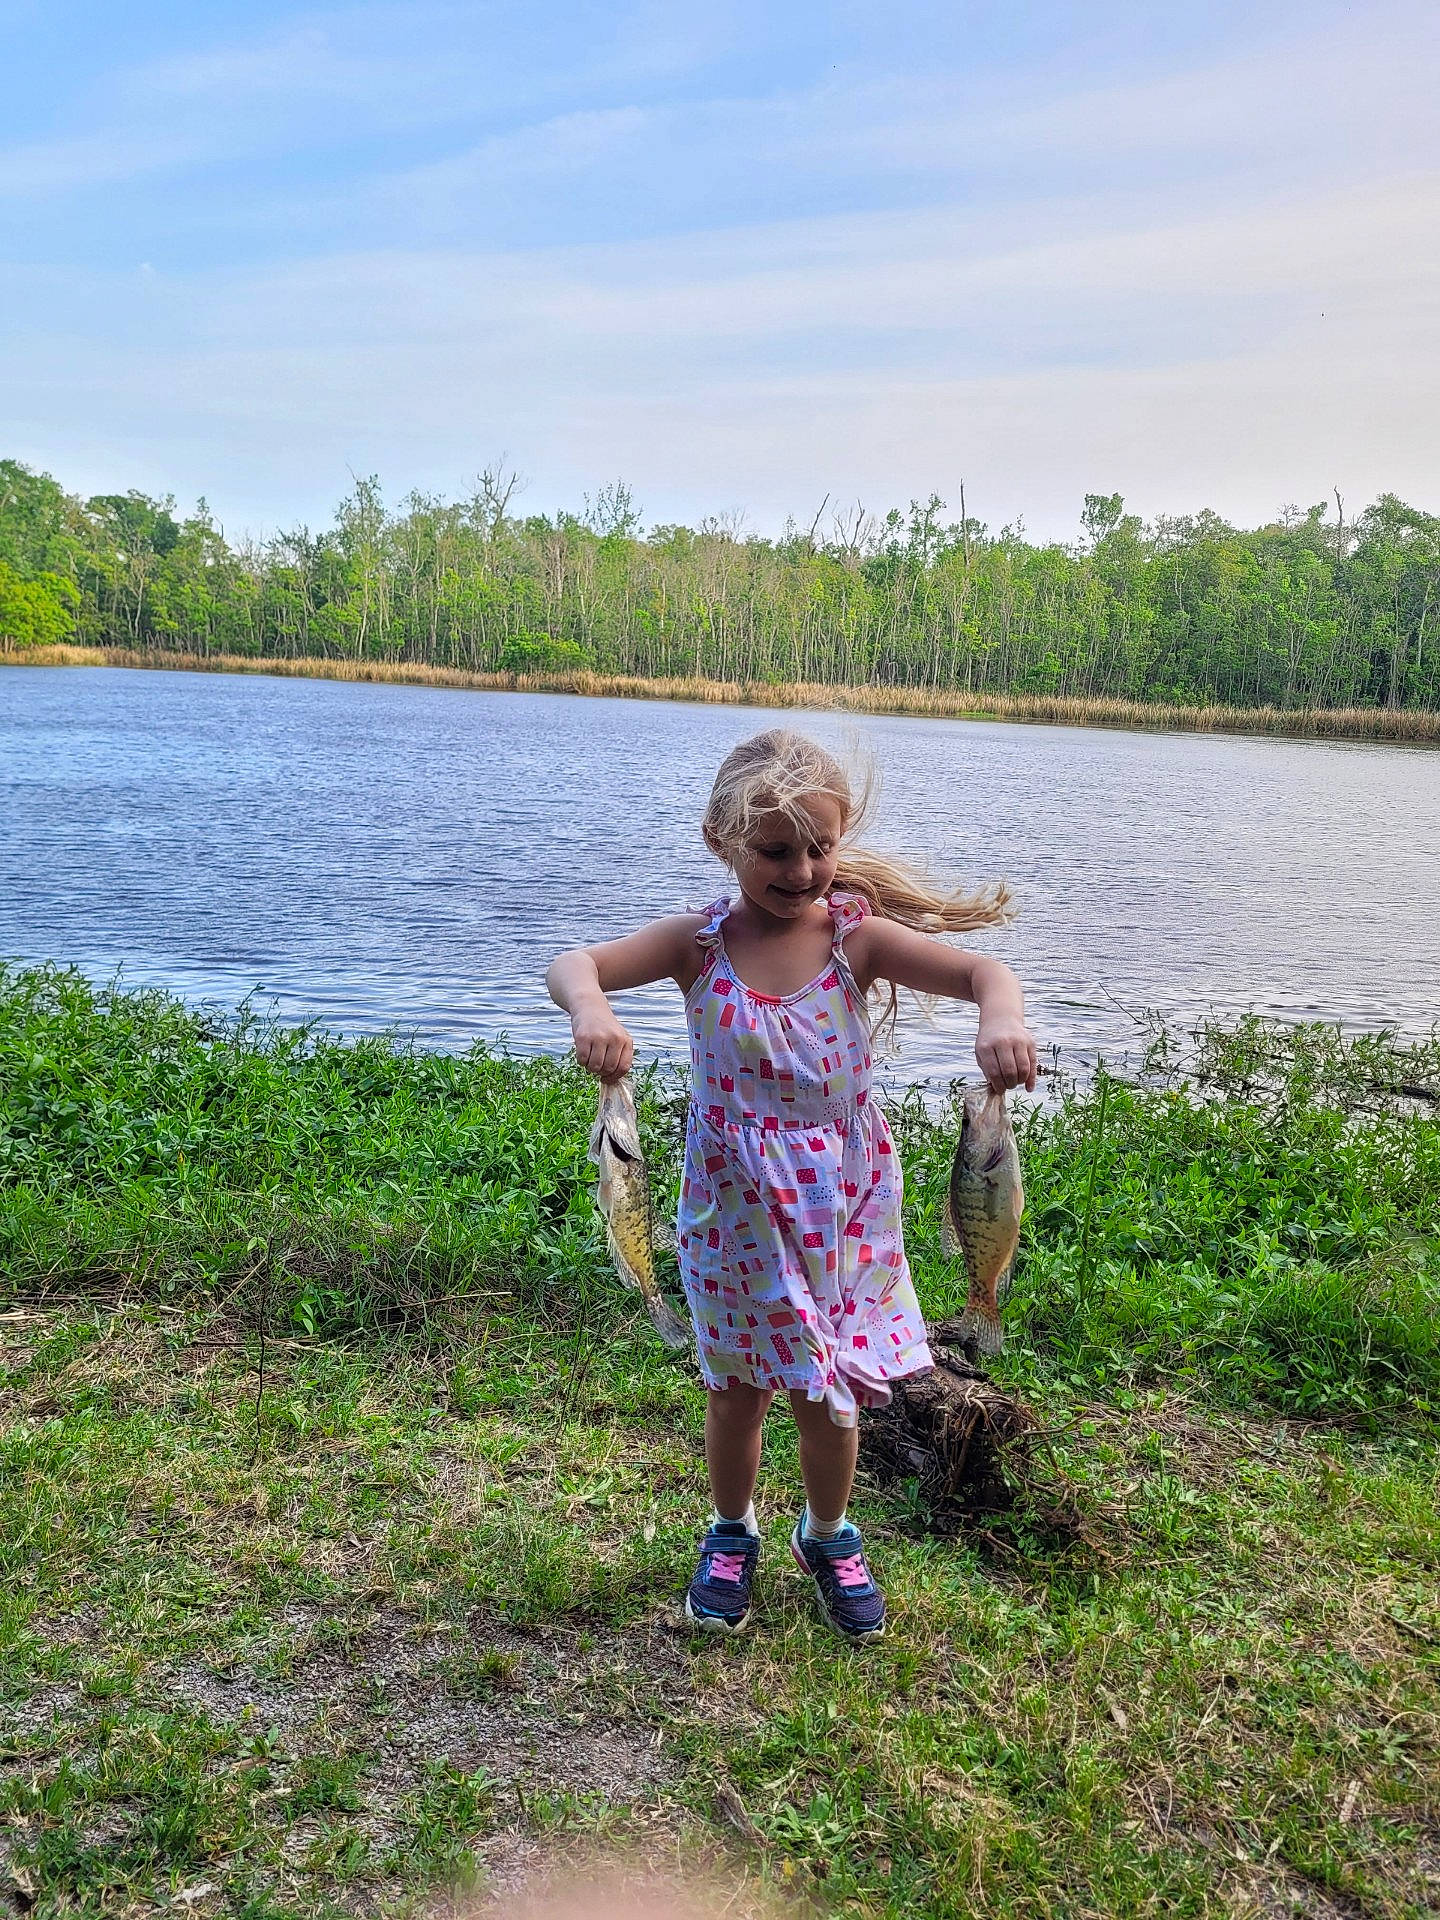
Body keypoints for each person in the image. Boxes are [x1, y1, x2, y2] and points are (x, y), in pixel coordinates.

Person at [546, 729, 1036, 1642]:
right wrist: (591, 1006)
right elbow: (574, 964)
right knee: (737, 1389)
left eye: (820, 846)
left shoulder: (858, 943)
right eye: (776, 849)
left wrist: (1000, 1016)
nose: (803, 868)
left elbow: (982, 971)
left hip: (842, 1216)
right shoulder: (698, 947)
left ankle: (828, 1533)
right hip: (733, 1214)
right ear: (722, 842)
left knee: (830, 1394)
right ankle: (731, 1533)